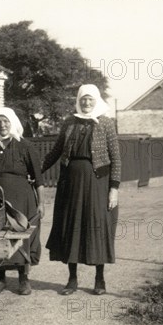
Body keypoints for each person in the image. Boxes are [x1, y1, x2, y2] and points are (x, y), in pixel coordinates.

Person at [42, 84, 121, 296]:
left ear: (97, 101)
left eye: (90, 100)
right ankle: (72, 279)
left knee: (97, 226)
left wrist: (114, 189)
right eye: (83, 99)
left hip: (98, 183)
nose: (86, 103)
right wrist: (34, 170)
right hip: (70, 183)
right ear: (78, 100)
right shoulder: (70, 122)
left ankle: (99, 279)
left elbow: (116, 159)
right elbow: (56, 152)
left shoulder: (106, 123)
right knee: (71, 226)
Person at [0, 106, 45, 296]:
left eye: (5, 121)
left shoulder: (24, 145)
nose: (1, 125)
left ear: (12, 122)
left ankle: (23, 278)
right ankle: (0, 278)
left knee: (20, 235)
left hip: (21, 198)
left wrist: (41, 203)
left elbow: (38, 178)